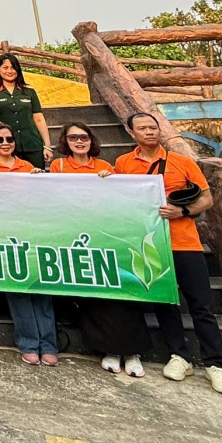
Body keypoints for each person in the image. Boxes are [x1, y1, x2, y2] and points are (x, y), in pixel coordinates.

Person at [114, 112, 222, 395]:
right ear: (132, 133)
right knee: (165, 304)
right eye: (142, 128)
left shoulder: (182, 162)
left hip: (185, 242)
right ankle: (179, 355)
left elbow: (207, 198)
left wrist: (182, 211)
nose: (149, 132)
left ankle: (215, 364)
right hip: (150, 245)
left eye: (153, 127)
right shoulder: (123, 163)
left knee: (201, 305)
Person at [52, 124, 148, 377]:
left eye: (83, 137)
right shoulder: (58, 167)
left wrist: (111, 181)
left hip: (106, 235)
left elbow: (119, 199)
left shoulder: (106, 166)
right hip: (75, 235)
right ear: (65, 141)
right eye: (73, 137)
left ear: (91, 140)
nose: (79, 141)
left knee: (121, 291)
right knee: (93, 296)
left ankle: (132, 351)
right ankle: (110, 350)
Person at [0, 122, 59, 364]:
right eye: (0, 140)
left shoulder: (27, 167)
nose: (5, 143)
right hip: (3, 236)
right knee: (17, 290)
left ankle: (49, 344)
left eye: (9, 139)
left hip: (31, 234)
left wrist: (39, 181)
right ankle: (28, 342)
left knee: (41, 288)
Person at [0, 53, 53, 169]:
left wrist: (47, 146)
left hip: (32, 144)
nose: (10, 71)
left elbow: (39, 119)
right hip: (6, 146)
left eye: (13, 67)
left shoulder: (30, 93)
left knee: (36, 179)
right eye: (5, 68)